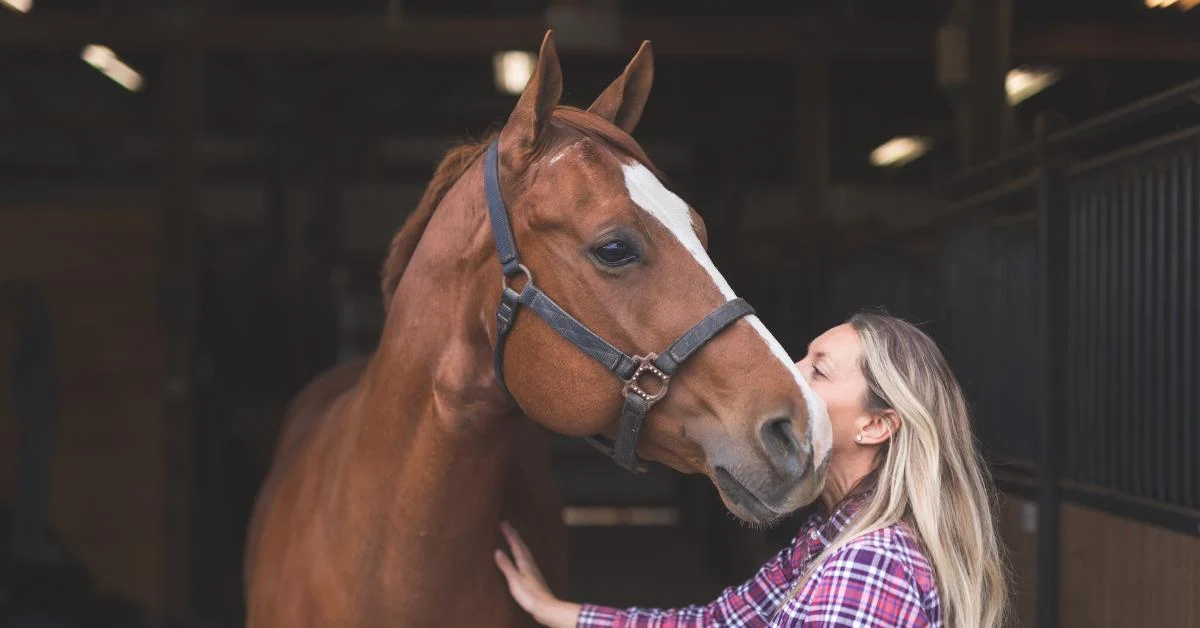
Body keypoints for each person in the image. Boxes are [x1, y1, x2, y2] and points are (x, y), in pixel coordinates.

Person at [494, 312, 1010, 627]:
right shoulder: (831, 535)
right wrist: (559, 613)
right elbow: (719, 623)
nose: (790, 370)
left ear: (876, 426)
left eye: (818, 368)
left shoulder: (869, 564)